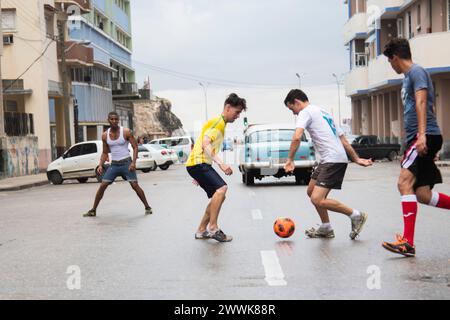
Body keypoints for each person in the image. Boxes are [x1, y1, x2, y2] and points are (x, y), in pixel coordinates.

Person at [381, 38, 450, 257]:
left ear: (395, 57)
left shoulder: (416, 72)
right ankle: (408, 242)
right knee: (422, 193)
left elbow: (422, 102)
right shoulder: (409, 78)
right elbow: (429, 105)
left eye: (390, 61)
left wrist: (423, 136)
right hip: (425, 136)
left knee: (404, 183)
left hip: (421, 137)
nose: (391, 65)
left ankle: (408, 243)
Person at [283, 89, 373, 239]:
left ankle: (356, 215)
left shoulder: (306, 112)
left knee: (317, 199)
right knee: (311, 192)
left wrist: (290, 159)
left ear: (297, 102)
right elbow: (343, 140)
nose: (294, 113)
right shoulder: (323, 112)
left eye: (292, 109)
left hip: (332, 160)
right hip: (329, 159)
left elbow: (297, 137)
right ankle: (326, 227)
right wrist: (356, 159)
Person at [186, 93, 247, 242]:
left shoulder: (220, 124)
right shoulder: (218, 123)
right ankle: (213, 228)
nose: (238, 116)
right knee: (222, 189)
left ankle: (201, 230)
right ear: (227, 107)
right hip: (198, 163)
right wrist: (222, 163)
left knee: (218, 195)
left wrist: (198, 174)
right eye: (237, 112)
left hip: (198, 164)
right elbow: (205, 144)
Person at [84, 112, 153, 217]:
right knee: (102, 185)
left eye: (116, 119)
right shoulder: (105, 135)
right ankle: (93, 210)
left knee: (134, 185)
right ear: (108, 120)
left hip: (127, 163)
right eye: (112, 119)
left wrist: (133, 163)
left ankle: (147, 207)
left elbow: (135, 147)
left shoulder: (126, 132)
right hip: (114, 165)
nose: (114, 121)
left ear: (118, 120)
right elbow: (105, 152)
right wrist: (100, 165)